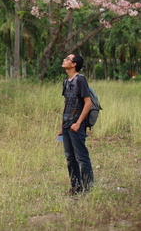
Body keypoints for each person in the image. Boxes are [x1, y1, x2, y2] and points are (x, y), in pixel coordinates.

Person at [57, 53, 94, 196]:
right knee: (70, 157)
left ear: (74, 64)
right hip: (67, 125)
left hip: (76, 126)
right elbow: (66, 103)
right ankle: (76, 186)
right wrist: (62, 126)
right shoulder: (66, 81)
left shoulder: (80, 79)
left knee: (82, 157)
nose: (64, 60)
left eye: (67, 59)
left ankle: (87, 188)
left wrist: (78, 123)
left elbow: (88, 103)